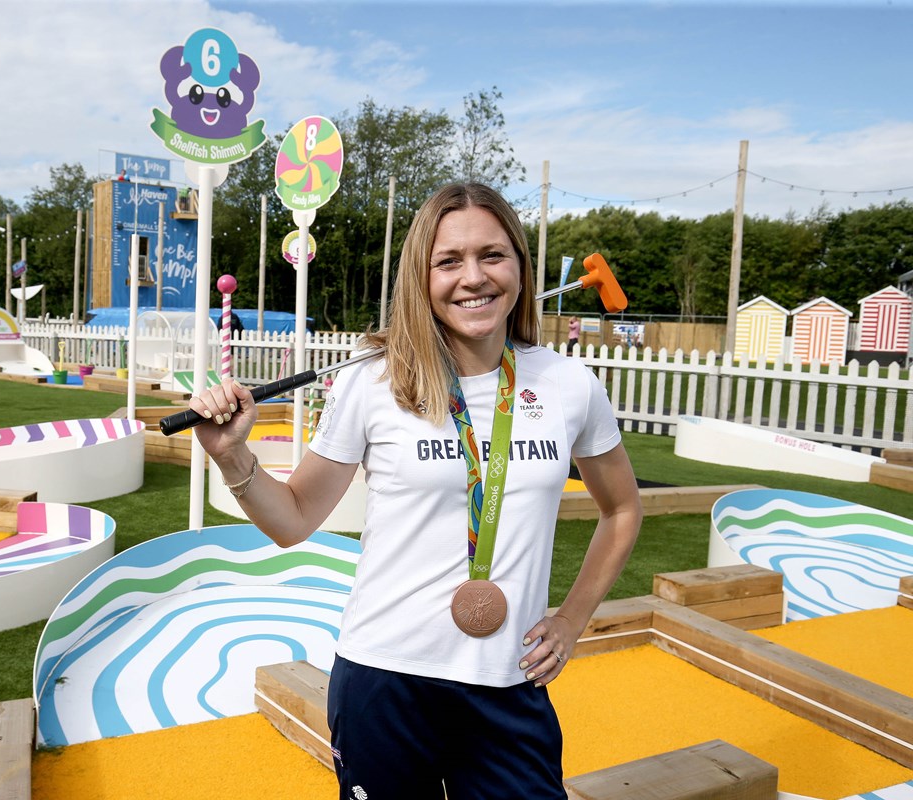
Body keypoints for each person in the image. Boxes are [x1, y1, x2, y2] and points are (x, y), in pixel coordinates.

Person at [189, 182, 641, 799]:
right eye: (448, 261)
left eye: (492, 255)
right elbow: (292, 519)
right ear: (420, 279)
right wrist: (232, 455)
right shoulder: (373, 379)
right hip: (385, 679)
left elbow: (622, 509)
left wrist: (571, 620)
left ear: (520, 266)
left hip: (508, 680)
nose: (473, 277)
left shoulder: (567, 383)